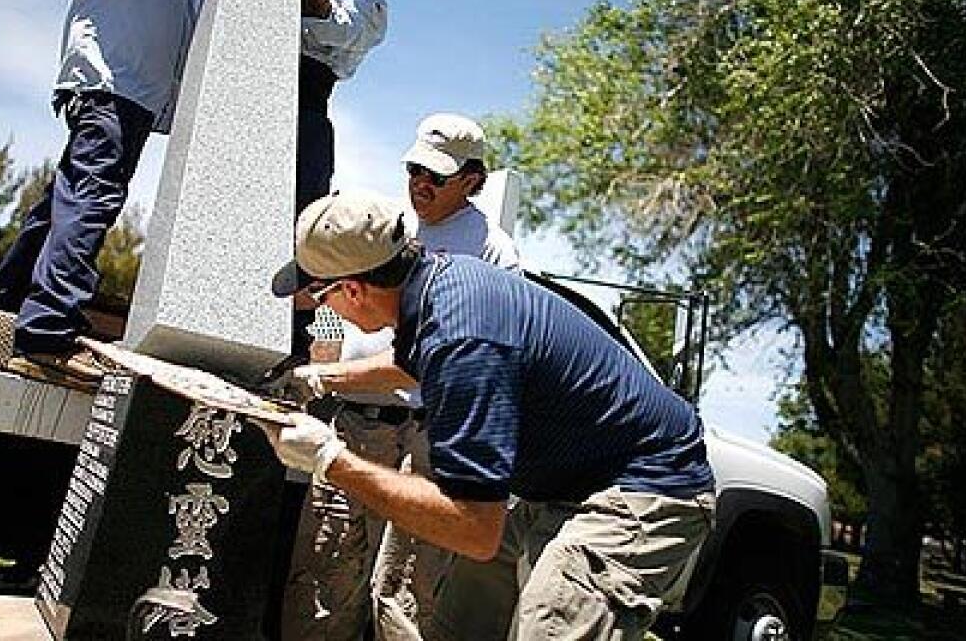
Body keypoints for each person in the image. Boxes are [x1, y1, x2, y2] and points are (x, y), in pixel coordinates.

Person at [262, 190, 717, 640]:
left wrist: (330, 459)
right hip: (564, 483)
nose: (321, 307)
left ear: (354, 290)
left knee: (550, 623)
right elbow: (409, 366)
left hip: (645, 486)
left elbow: (474, 527)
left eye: (320, 295)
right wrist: (319, 378)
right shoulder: (439, 284)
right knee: (459, 623)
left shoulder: (462, 339)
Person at [0, 0, 282, 382]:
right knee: (92, 197)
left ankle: (5, 304)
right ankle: (46, 337)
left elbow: (215, 1)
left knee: (67, 200)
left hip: (138, 101)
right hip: (106, 87)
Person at [280, 114, 520, 640]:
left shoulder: (492, 249)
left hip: (428, 432)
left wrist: (323, 379)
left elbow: (443, 361)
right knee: (323, 569)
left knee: (404, 590)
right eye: (415, 169)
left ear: (473, 180)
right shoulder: (389, 226)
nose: (421, 184)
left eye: (437, 176)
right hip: (356, 422)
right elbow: (321, 300)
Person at [290, 0, 398, 359]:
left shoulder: (371, 6)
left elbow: (331, 23)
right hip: (254, 87)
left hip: (308, 106)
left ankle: (292, 339)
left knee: (304, 225)